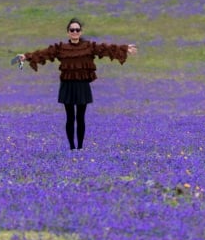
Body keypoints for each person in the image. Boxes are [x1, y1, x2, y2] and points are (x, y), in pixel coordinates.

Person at [17, 18, 137, 150]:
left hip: (82, 86)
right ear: (68, 33)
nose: (75, 32)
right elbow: (44, 54)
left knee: (80, 117)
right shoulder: (60, 48)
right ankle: (72, 148)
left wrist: (124, 48)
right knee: (69, 117)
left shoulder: (89, 47)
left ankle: (80, 148)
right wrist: (26, 56)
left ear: (81, 32)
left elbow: (106, 49)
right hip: (67, 86)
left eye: (77, 30)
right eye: (72, 30)